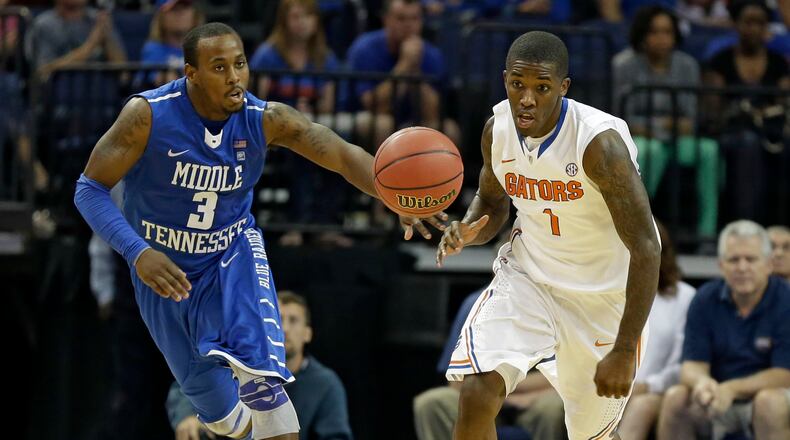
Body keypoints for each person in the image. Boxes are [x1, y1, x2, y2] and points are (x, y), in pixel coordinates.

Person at [73, 22, 442, 440]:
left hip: (230, 257)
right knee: (226, 420)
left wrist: (393, 195)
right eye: (219, 67)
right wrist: (137, 252)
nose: (234, 78)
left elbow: (341, 154)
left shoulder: (265, 120)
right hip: (164, 274)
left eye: (240, 64)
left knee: (266, 395)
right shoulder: (147, 115)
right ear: (190, 73)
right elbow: (89, 190)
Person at [437, 31, 661, 440]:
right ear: (504, 79)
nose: (527, 99)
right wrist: (467, 230)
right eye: (517, 84)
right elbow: (491, 205)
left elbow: (647, 247)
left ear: (563, 87)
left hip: (601, 299)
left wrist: (625, 349)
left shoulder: (599, 144)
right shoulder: (497, 131)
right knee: (476, 389)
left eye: (541, 88)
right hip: (530, 279)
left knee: (589, 436)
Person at [656, 220, 790, 440]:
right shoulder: (705, 299)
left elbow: (785, 375)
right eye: (734, 259)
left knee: (769, 402)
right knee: (676, 397)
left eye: (751, 259)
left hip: (768, 398)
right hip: (717, 399)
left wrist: (733, 389)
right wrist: (702, 383)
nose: (742, 267)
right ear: (721, 265)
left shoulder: (786, 300)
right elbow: (691, 366)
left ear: (768, 264)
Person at [167, 291, 353, 440]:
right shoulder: (234, 364)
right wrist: (187, 416)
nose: (284, 328)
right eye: (277, 319)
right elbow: (185, 387)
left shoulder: (325, 383)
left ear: (307, 333)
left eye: (293, 320)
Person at [612, 5, 720, 240]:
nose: (662, 38)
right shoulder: (624, 65)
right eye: (654, 32)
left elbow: (689, 119)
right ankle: (636, 227)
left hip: (678, 139)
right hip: (640, 139)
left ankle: (706, 231)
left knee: (709, 151)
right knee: (651, 151)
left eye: (667, 32)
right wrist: (666, 125)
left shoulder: (687, 66)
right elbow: (623, 118)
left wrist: (655, 126)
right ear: (642, 35)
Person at [413, 290, 566, 440]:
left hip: (535, 400)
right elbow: (457, 378)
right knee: (431, 402)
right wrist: (495, 393)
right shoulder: (477, 304)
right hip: (484, 391)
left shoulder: (558, 302)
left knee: (553, 407)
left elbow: (567, 374)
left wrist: (502, 390)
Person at [704, 0, 790, 225]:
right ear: (736, 24)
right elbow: (713, 110)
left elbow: (785, 101)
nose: (753, 28)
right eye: (748, 22)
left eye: (760, 23)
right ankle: (748, 224)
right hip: (732, 130)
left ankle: (781, 226)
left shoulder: (778, 62)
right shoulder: (721, 61)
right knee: (748, 145)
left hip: (771, 130)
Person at [617, 221, 696, 439]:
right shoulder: (607, 294)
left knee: (641, 406)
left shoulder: (684, 297)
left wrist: (647, 385)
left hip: (656, 391)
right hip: (608, 389)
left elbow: (683, 363)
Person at [346, 0, 460, 147]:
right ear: (386, 19)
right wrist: (404, 65)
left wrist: (414, 70)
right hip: (367, 116)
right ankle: (379, 170)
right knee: (383, 125)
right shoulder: (364, 48)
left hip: (412, 120)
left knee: (449, 129)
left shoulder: (432, 54)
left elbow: (432, 113)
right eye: (401, 18)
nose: (409, 25)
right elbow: (376, 107)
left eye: (415, 18)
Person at [24, 0, 127, 80]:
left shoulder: (99, 19)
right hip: (59, 101)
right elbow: (44, 73)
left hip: (101, 97)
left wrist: (107, 38)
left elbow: (124, 75)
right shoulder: (43, 25)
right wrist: (90, 45)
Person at [139, 0, 204, 86]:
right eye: (174, 9)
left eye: (185, 8)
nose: (180, 14)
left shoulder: (205, 49)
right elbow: (151, 85)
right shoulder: (153, 49)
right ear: (161, 17)